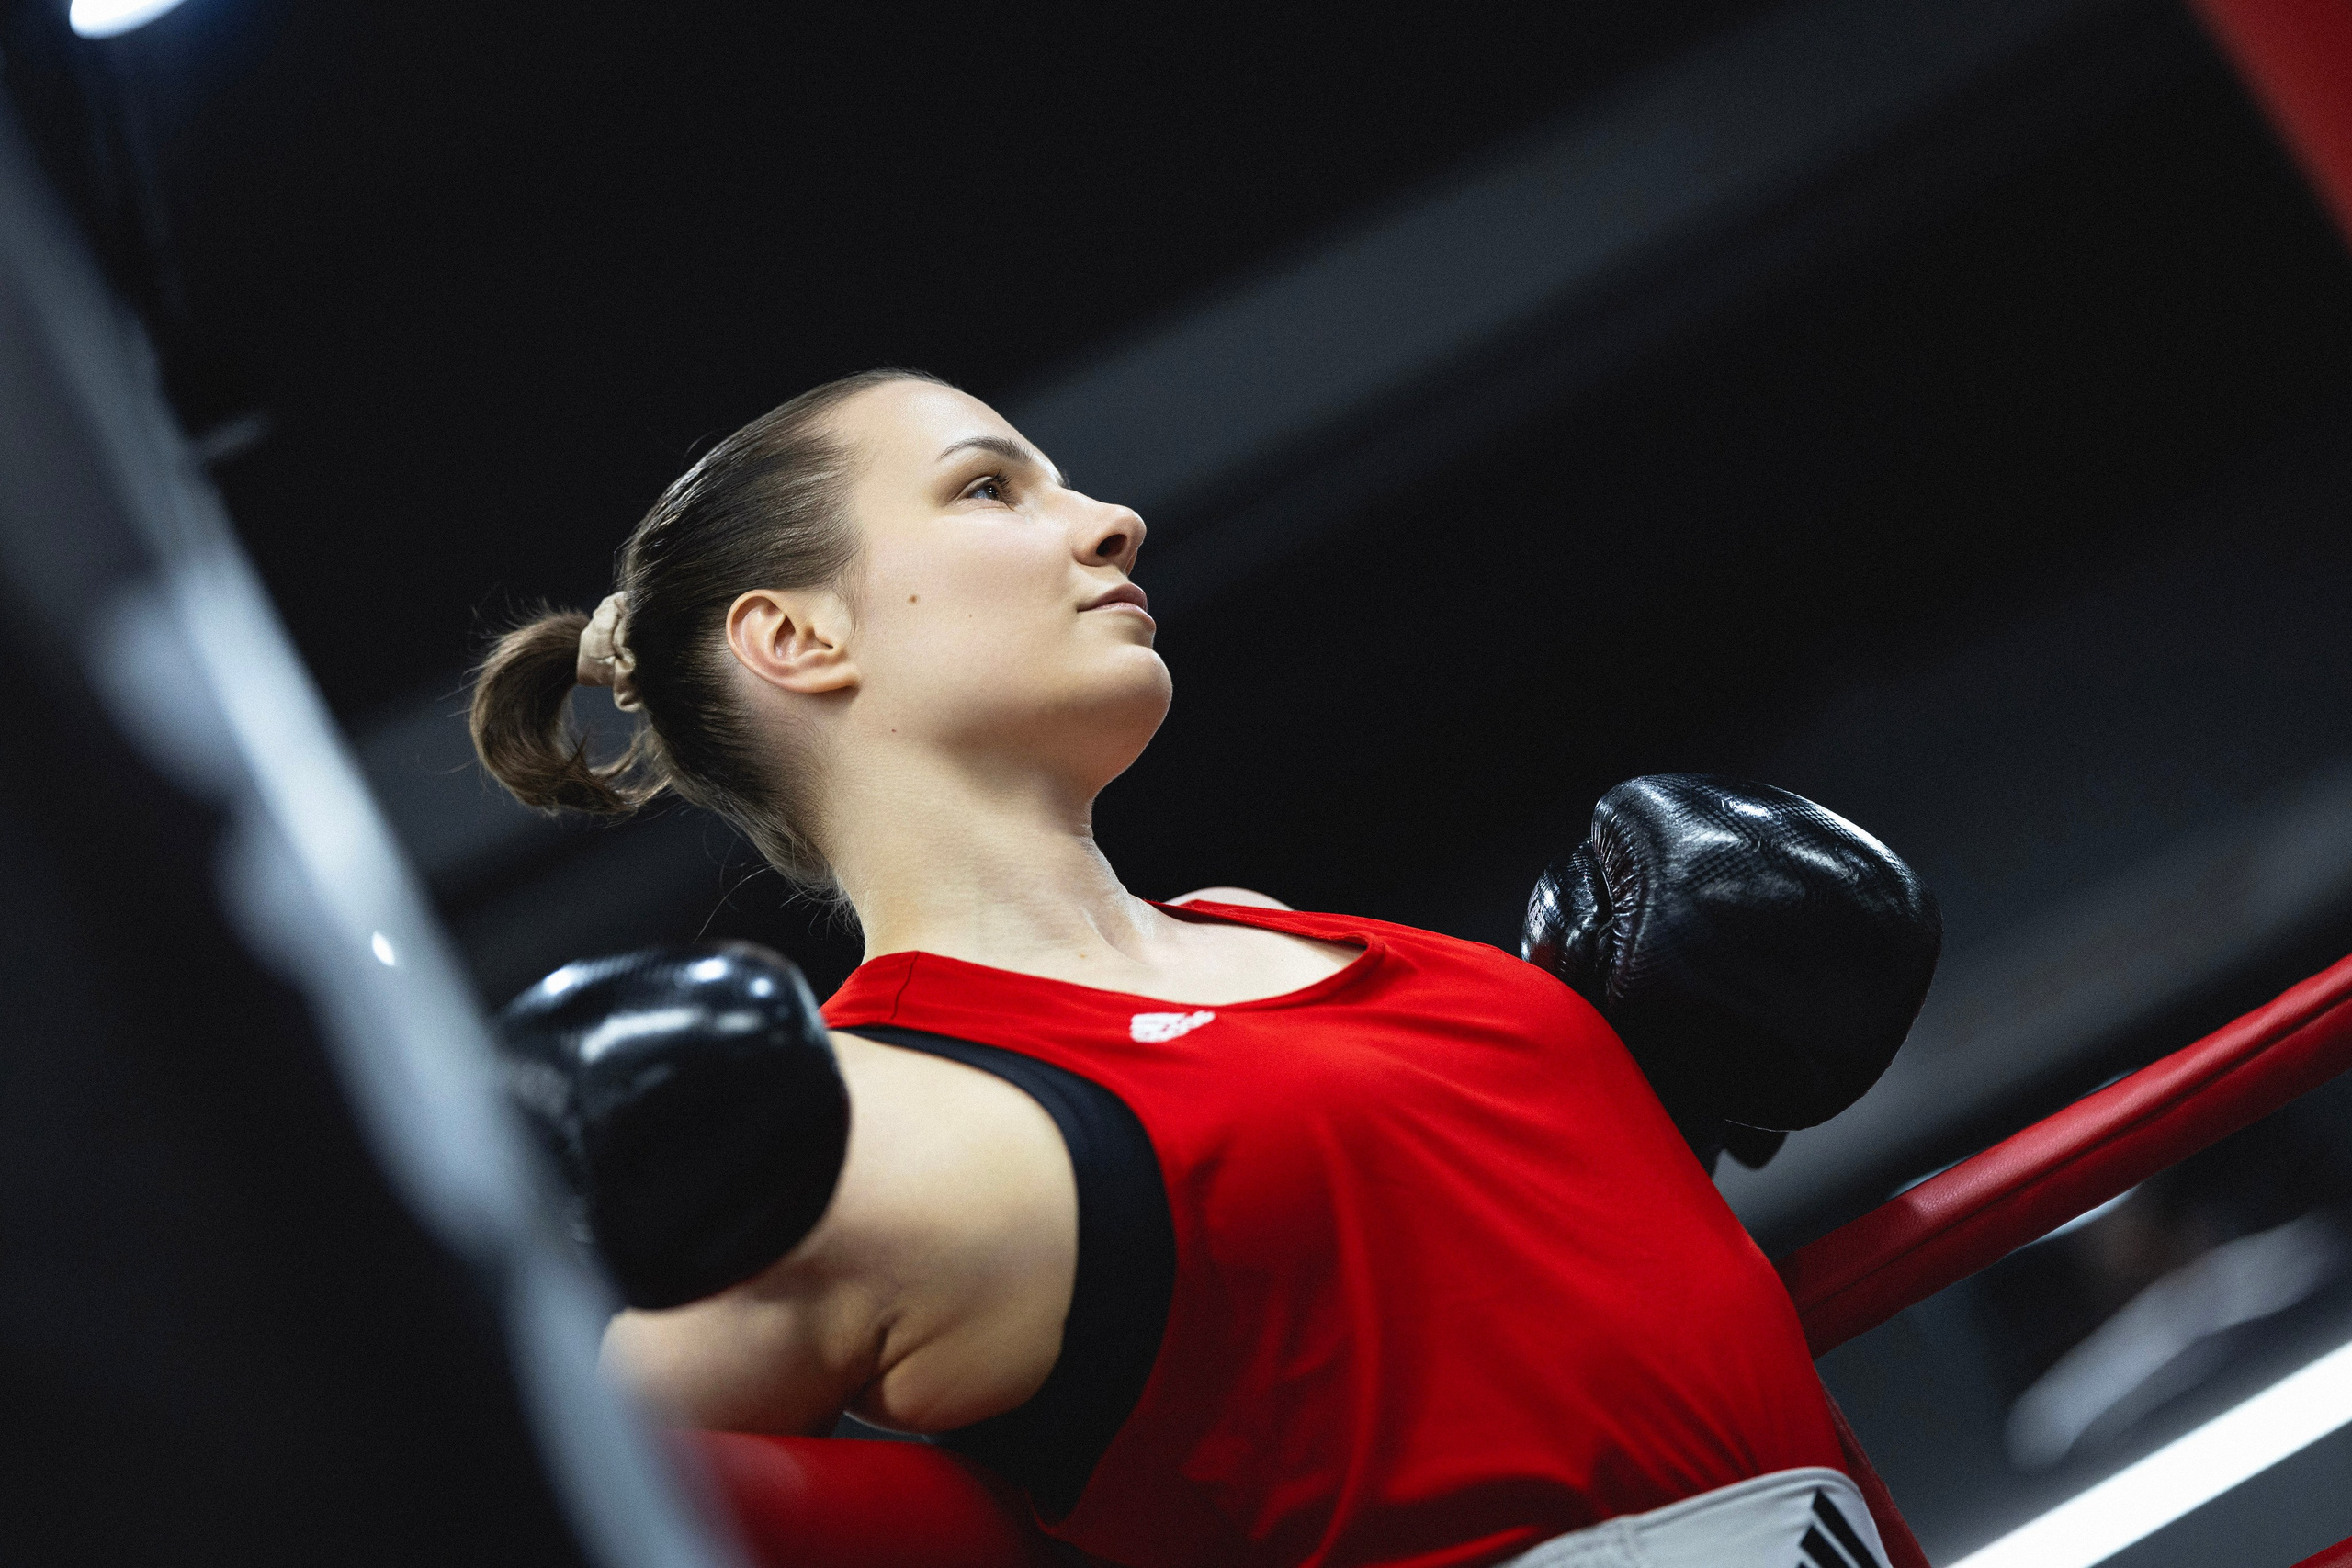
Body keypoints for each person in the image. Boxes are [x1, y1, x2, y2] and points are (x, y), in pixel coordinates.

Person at [470, 368, 1931, 1568]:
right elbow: (526, 1500)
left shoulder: (1291, 933)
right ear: (795, 636)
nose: (1110, 521)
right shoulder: (858, 1130)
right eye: (990, 487)